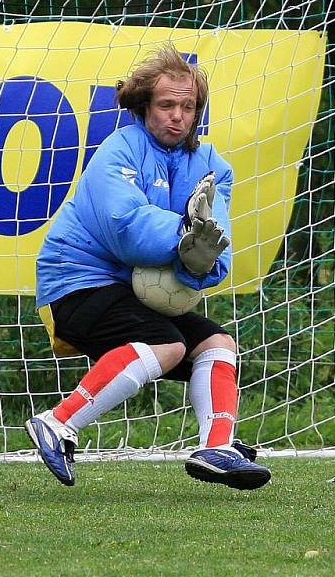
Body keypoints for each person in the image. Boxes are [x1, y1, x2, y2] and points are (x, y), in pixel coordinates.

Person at [26, 43, 271, 491]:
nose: (178, 115)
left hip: (131, 292)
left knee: (217, 343)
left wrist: (202, 261)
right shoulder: (118, 149)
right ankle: (57, 423)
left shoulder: (214, 167)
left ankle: (217, 447)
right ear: (144, 107)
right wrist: (184, 238)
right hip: (77, 284)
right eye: (166, 105)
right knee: (169, 345)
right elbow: (126, 228)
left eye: (188, 106)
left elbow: (219, 251)